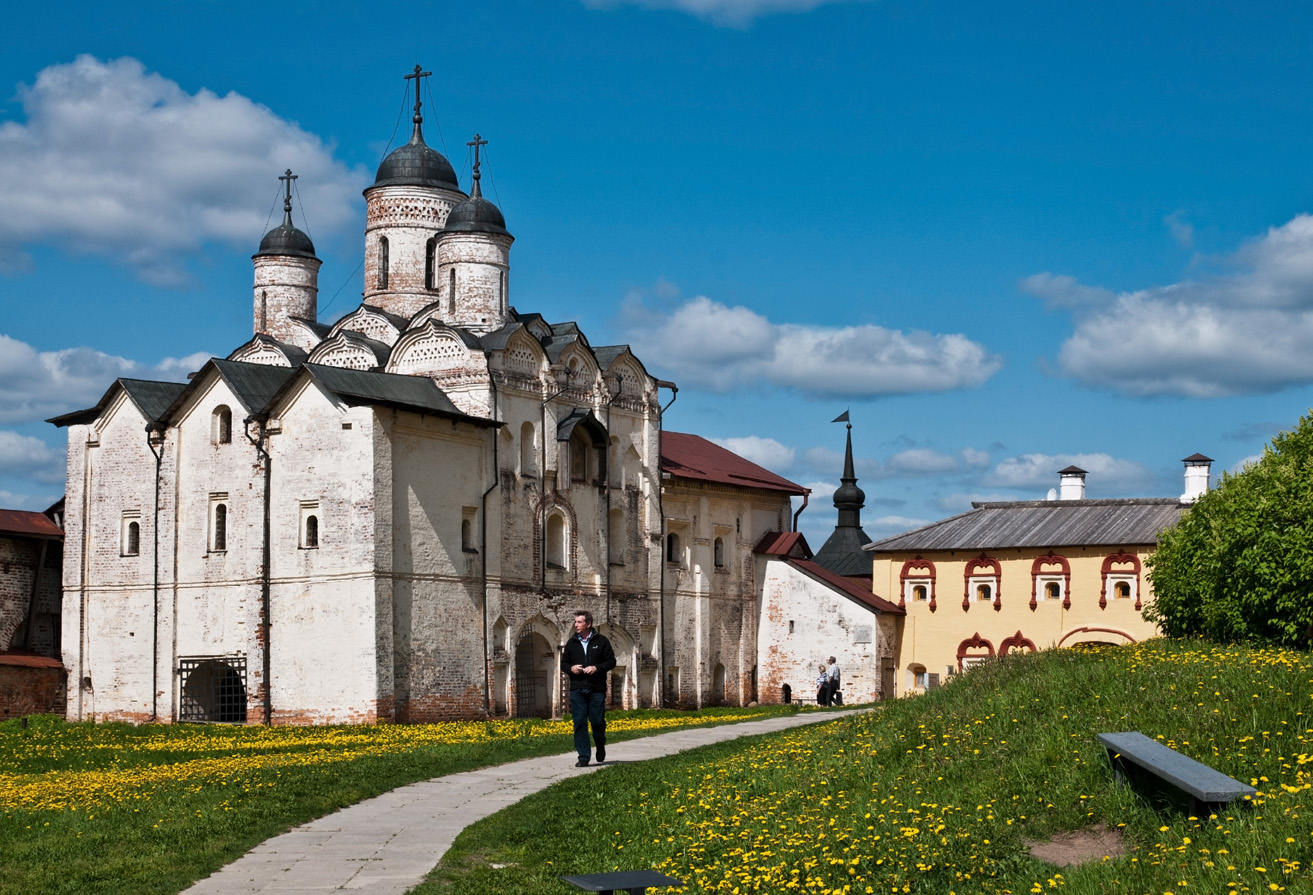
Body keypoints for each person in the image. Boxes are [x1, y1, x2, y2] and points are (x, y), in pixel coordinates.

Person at [560, 610, 616, 767]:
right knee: (579, 722)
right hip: (577, 689)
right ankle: (583, 757)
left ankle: (600, 744)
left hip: (596, 689)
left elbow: (611, 661)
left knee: (597, 722)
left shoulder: (602, 641)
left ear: (588, 624)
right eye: (575, 622)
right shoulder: (572, 643)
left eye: (579, 622)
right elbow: (563, 664)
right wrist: (571, 669)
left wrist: (596, 668)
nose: (576, 625)